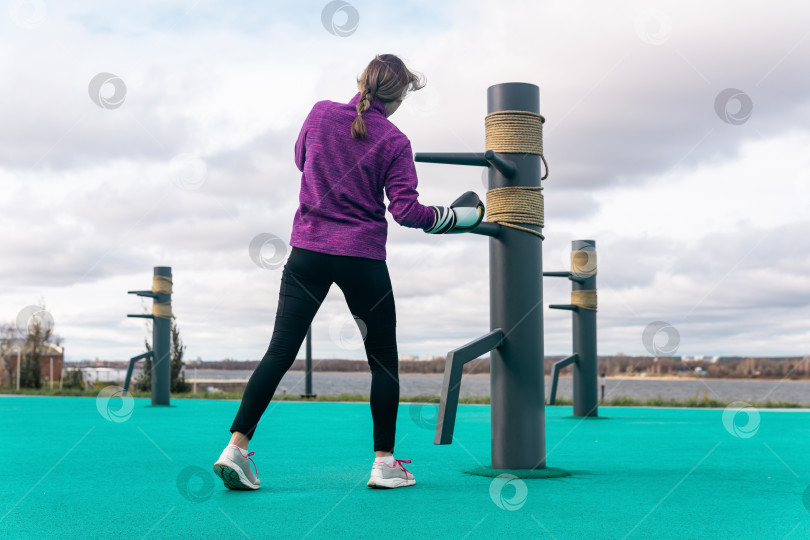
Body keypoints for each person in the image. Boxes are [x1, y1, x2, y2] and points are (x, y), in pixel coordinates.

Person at [213, 54, 484, 491]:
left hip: (308, 252)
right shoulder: (395, 140)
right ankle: (384, 464)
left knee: (279, 352)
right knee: (383, 362)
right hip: (362, 259)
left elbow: (303, 162)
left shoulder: (320, 114)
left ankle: (235, 449)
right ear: (397, 99)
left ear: (361, 81)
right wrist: (457, 217)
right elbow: (408, 213)